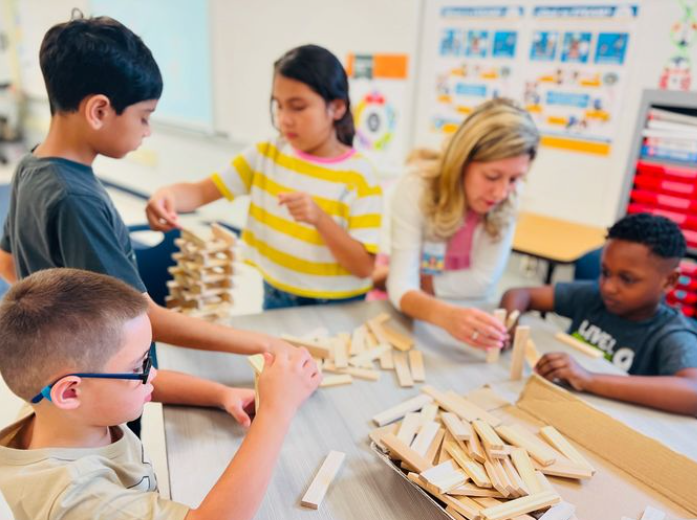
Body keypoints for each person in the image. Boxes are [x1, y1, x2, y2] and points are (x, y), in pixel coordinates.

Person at [0, 16, 300, 418]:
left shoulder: (31, 165)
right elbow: (145, 320)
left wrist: (58, 324)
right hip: (107, 400)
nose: (148, 131)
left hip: (76, 386)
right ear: (99, 110)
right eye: (143, 116)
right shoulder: (76, 199)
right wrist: (260, 342)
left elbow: (7, 261)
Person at [0, 268, 321, 520]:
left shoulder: (52, 408)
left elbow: (134, 385)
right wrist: (277, 410)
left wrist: (219, 394)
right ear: (70, 392)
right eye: (141, 365)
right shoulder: (77, 497)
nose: (151, 375)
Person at [145, 45, 382, 310]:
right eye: (278, 106)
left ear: (337, 108)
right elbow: (202, 191)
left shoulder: (361, 176)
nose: (284, 120)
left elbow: (364, 267)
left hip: (339, 305)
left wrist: (319, 219)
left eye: (298, 107)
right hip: (276, 295)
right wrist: (168, 196)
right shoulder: (266, 155)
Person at [500, 213, 697, 415]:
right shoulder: (594, 296)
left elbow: (694, 393)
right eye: (605, 272)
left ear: (669, 281)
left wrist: (588, 379)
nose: (609, 287)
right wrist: (508, 326)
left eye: (627, 279)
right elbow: (519, 294)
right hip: (558, 407)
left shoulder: (671, 333)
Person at [385, 99, 539, 352]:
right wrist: (444, 314)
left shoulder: (509, 198)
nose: (501, 192)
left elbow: (483, 282)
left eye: (514, 179)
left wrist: (421, 283)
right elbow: (401, 286)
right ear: (461, 162)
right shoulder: (416, 188)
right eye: (492, 176)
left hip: (471, 321)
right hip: (417, 323)